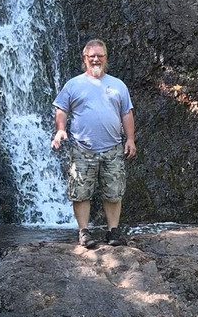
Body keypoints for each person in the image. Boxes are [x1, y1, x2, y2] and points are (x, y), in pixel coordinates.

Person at [51, 39, 136, 248]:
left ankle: (112, 231)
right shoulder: (73, 84)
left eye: (100, 56)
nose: (96, 59)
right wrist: (60, 130)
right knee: (80, 192)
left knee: (114, 192)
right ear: (85, 59)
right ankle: (84, 232)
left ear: (106, 58)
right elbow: (61, 108)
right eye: (92, 56)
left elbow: (127, 113)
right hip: (82, 148)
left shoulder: (118, 85)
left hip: (113, 148)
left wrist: (131, 139)